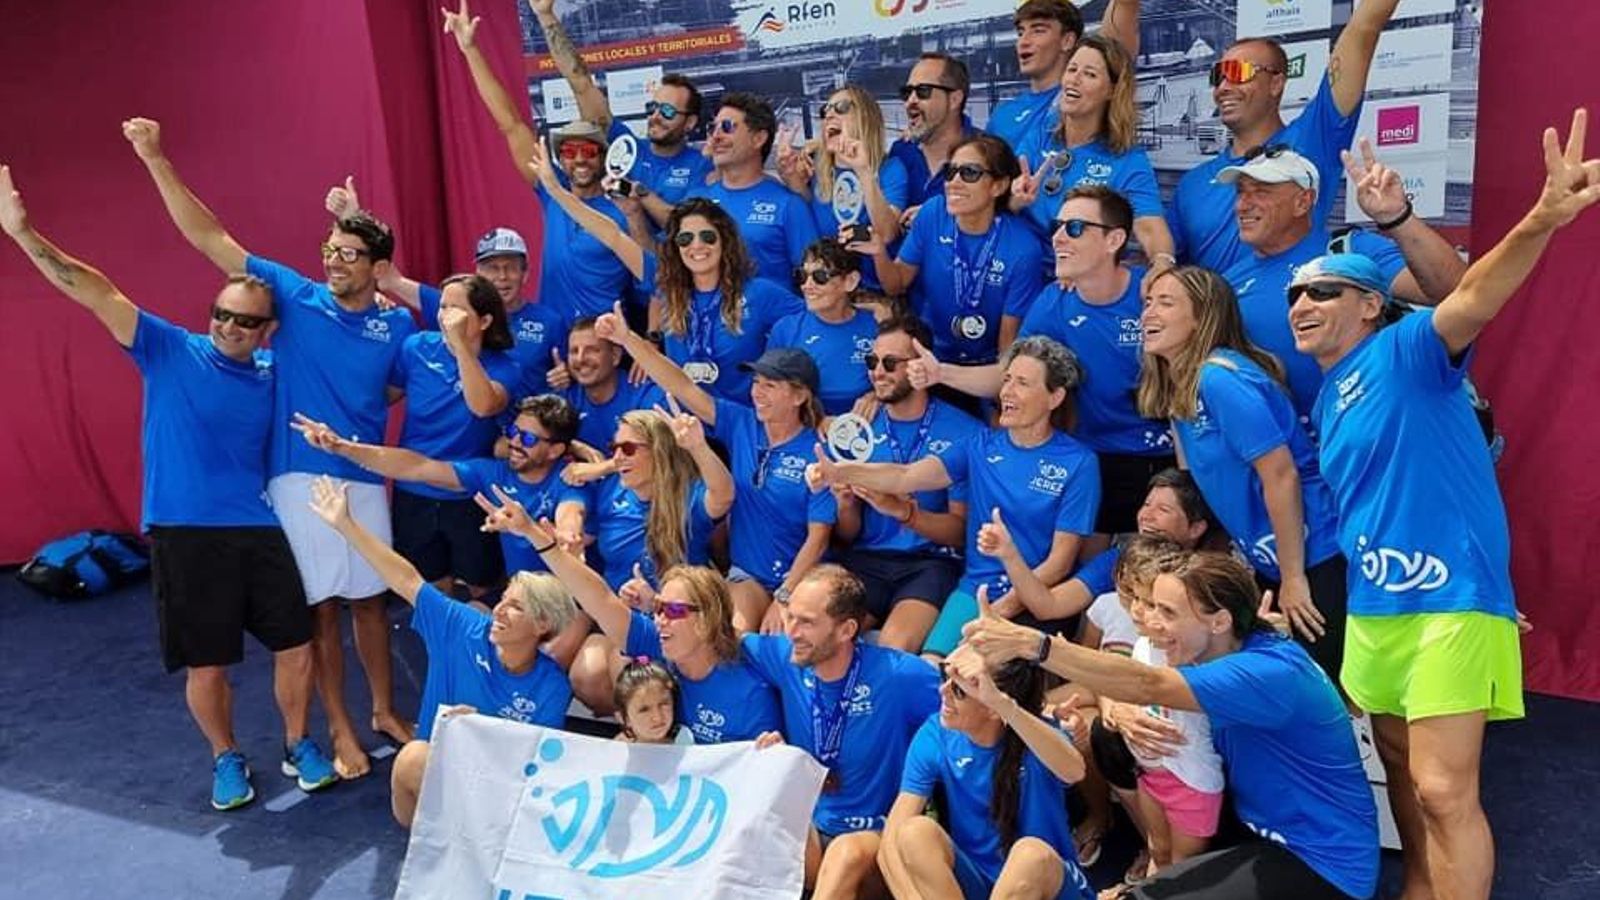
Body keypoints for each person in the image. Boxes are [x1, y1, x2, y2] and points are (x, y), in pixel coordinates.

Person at [1289, 108, 1599, 900]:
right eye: (1296, 295)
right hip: (1377, 607)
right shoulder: (1327, 401)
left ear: (1369, 306)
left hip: (1448, 603)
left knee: (1442, 790)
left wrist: (1541, 217)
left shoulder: (1410, 349)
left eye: (1323, 291)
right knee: (1397, 769)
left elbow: (1474, 292)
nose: (1302, 302)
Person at [0, 165, 335, 810]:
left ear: (267, 330)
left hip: (261, 527)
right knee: (207, 663)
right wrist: (24, 235)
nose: (228, 328)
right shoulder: (167, 348)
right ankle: (226, 757)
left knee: (296, 646)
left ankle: (298, 744)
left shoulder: (275, 370)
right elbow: (98, 292)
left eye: (244, 322)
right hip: (184, 531)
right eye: (222, 315)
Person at [125, 117, 416, 778]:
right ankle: (339, 730)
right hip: (299, 479)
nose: (334, 260)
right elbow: (206, 235)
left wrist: (355, 416)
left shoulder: (396, 321)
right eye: (330, 249)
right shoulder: (291, 292)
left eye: (349, 253)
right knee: (317, 614)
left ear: (375, 267)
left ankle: (381, 711)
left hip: (366, 474)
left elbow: (394, 388)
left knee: (371, 602)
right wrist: (156, 158)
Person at [964, 552, 1380, 900]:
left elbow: (1146, 683)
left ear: (1219, 622)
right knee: (1111, 741)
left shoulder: (1264, 672)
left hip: (1322, 864)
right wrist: (1115, 710)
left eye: (1168, 612)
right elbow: (1129, 679)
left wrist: (1031, 644)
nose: (1151, 622)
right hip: (1256, 834)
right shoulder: (1229, 645)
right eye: (1150, 606)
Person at [306, 476, 575, 829]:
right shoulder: (461, 628)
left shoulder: (553, 687)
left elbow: (536, 767)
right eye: (503, 600)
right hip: (441, 780)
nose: (499, 610)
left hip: (500, 792)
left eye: (516, 608)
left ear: (543, 625)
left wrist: (478, 734)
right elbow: (405, 579)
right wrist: (346, 525)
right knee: (413, 757)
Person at [910, 186, 1175, 544]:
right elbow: (1009, 374)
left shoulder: (1151, 294)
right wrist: (939, 372)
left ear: (1114, 240)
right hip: (1089, 459)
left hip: (1159, 458)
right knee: (1090, 578)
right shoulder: (1054, 301)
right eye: (1057, 226)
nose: (1059, 237)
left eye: (1076, 228)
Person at [811, 336, 1100, 657]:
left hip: (1037, 595)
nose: (1007, 392)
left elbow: (1059, 563)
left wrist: (1004, 607)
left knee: (987, 676)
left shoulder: (1079, 462)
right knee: (932, 666)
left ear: (1054, 397)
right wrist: (841, 472)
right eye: (1006, 381)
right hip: (975, 590)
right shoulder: (980, 445)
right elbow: (906, 475)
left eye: (1022, 383)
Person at [1136, 265, 1348, 680]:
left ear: (1202, 316)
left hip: (1316, 555)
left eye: (1166, 303)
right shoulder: (1181, 386)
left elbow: (1281, 474)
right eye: (1147, 303)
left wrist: (1293, 578)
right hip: (1272, 561)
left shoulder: (1220, 378)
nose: (1148, 314)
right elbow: (1200, 484)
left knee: (1328, 690)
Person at [476, 490, 784, 742]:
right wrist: (533, 534)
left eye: (673, 611)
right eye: (659, 608)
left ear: (707, 620)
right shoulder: (658, 645)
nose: (660, 618)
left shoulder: (753, 663)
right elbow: (599, 599)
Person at [605, 306, 838, 631]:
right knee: (731, 636)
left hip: (805, 579)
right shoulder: (742, 423)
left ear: (799, 395)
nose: (757, 392)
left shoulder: (818, 448)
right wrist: (628, 339)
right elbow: (684, 387)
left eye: (770, 386)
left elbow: (819, 538)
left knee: (785, 645)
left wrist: (785, 596)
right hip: (747, 577)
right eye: (756, 382)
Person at [529, 141, 806, 402]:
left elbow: (811, 325)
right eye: (685, 239)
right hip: (684, 425)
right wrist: (554, 189)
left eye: (707, 237)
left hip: (742, 422)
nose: (697, 246)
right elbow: (612, 235)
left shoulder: (760, 293)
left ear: (725, 241)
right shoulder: (667, 285)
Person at [1215, 146, 1467, 421]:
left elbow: (1453, 291)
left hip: (1373, 441)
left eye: (1261, 191)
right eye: (1240, 192)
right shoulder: (1227, 282)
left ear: (1303, 201)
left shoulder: (1350, 250)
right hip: (1282, 456)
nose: (1242, 204)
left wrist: (1397, 217)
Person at [746, 565, 941, 900]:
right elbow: (712, 642)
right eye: (790, 617)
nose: (791, 631)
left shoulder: (898, 676)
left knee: (846, 854)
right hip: (812, 833)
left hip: (878, 841)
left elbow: (973, 704)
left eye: (806, 622)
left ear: (846, 629)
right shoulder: (787, 657)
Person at [1167, 0, 1400, 272]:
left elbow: (1363, 29)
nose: (1224, 87)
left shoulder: (1311, 140)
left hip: (1293, 310)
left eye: (1238, 73)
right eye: (1218, 76)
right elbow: (1163, 266)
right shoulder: (1191, 185)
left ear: (1276, 83)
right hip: (1216, 314)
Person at [441, 0, 633, 318]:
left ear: (603, 154)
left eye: (589, 150)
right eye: (570, 153)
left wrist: (546, 18)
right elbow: (511, 123)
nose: (580, 159)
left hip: (608, 347)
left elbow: (582, 85)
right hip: (556, 341)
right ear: (560, 159)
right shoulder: (551, 187)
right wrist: (471, 50)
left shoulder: (625, 209)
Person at [289, 394, 588, 580]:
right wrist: (342, 448)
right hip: (521, 598)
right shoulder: (492, 472)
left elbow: (570, 515)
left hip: (568, 602)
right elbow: (416, 467)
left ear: (555, 451)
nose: (516, 443)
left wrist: (563, 535)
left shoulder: (569, 477)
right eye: (513, 432)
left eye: (530, 439)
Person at [880, 649, 1095, 900]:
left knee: (1029, 854)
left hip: (1047, 885)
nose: (943, 692)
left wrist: (1004, 705)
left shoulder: (1038, 735)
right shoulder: (935, 734)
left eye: (960, 690)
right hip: (980, 884)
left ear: (993, 707)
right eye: (945, 676)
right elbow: (891, 842)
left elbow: (1074, 770)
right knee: (914, 833)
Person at [325, 177, 568, 398]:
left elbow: (574, 373)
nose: (502, 276)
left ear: (526, 273)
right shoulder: (452, 305)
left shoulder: (550, 322)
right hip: (473, 432)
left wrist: (567, 376)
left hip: (522, 439)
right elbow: (389, 278)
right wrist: (351, 218)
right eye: (492, 267)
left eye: (511, 267)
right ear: (478, 273)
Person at [831, 316, 980, 653]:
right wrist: (845, 505)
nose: (877, 372)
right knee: (824, 637)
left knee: (892, 649)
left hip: (929, 563)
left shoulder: (964, 431)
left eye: (890, 363)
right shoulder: (859, 428)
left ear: (921, 366)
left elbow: (959, 532)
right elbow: (845, 534)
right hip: (866, 558)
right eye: (872, 362)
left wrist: (908, 515)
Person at [862, 135, 1046, 375]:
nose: (954, 182)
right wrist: (879, 253)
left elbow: (1007, 347)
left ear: (998, 186)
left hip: (986, 366)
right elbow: (896, 285)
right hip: (930, 357)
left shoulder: (1023, 249)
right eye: (950, 172)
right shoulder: (933, 213)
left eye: (969, 173)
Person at [388, 274, 522, 598]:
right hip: (414, 491)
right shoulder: (416, 348)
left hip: (469, 494)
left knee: (482, 590)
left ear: (485, 319)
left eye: (455, 309)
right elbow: (385, 395)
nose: (445, 316)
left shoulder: (505, 366)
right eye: (442, 307)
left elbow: (483, 405)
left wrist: (461, 346)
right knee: (429, 592)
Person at [526, 0, 712, 220]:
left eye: (668, 112)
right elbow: (581, 83)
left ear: (689, 123)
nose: (656, 116)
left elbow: (684, 224)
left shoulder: (702, 163)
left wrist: (637, 192)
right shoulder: (626, 148)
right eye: (653, 108)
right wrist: (546, 17)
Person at [1012, 35, 1174, 270]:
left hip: (1081, 280)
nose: (1074, 80)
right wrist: (1015, 198)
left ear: (1111, 90)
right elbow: (1003, 201)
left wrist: (1162, 263)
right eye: (1072, 69)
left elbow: (1149, 225)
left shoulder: (1127, 158)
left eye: (1089, 74)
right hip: (1023, 271)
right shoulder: (1040, 134)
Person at [775, 85, 909, 293]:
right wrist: (791, 177)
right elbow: (810, 210)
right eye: (825, 110)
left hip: (874, 294)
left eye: (841, 107)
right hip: (828, 291)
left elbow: (886, 234)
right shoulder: (816, 165)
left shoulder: (891, 168)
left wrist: (863, 170)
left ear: (866, 117)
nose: (829, 114)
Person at [690, 92, 821, 283]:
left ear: (758, 139)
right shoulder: (695, 202)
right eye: (712, 128)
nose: (716, 136)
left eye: (727, 127)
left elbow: (816, 275)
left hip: (774, 312)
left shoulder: (788, 204)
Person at [988, 0, 1140, 152]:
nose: (1023, 42)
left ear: (1067, 41)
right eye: (1020, 32)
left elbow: (1115, 41)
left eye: (1038, 30)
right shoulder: (1002, 115)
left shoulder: (1084, 99)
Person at [767, 239, 879, 415]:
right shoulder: (785, 331)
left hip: (868, 429)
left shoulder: (877, 327)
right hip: (807, 431)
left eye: (820, 277)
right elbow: (770, 394)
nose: (807, 286)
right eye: (802, 276)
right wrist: (815, 420)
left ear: (850, 281)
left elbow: (899, 382)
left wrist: (877, 396)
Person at [553, 316, 667, 453]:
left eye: (592, 350)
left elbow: (655, 464)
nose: (580, 359)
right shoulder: (564, 398)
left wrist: (601, 466)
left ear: (615, 356)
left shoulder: (649, 399)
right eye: (574, 351)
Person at [887, 53, 981, 210]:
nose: (910, 101)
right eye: (907, 92)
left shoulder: (986, 153)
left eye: (923, 91)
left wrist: (935, 217)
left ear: (954, 100)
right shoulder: (901, 151)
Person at [613, 659, 693, 745]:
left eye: (664, 704)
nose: (657, 717)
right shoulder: (618, 751)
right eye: (644, 709)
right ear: (624, 718)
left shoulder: (685, 743)